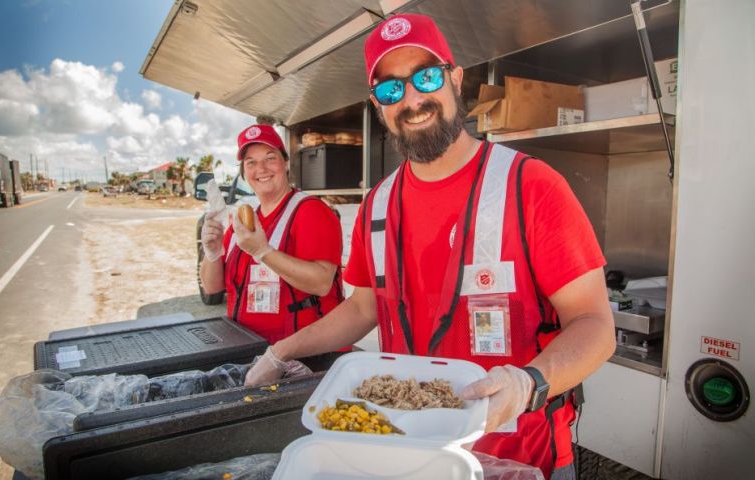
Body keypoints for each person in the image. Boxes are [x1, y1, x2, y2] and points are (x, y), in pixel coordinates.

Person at [244, 14, 615, 479]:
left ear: (455, 77)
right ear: (379, 105)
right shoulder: (377, 206)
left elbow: (596, 325)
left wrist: (528, 382)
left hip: (521, 454)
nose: (413, 99)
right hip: (406, 451)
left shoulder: (530, 186)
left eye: (426, 76)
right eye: (392, 89)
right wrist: (282, 352)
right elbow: (361, 309)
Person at [199, 124, 346, 359]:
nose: (262, 169)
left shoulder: (310, 211)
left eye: (270, 158)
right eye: (251, 162)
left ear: (285, 163)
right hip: (248, 348)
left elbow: (321, 283)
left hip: (305, 356)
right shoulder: (244, 217)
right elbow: (212, 287)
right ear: (244, 172)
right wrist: (212, 253)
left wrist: (263, 251)